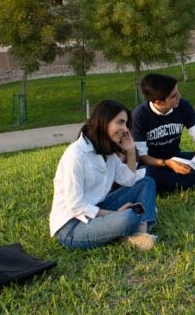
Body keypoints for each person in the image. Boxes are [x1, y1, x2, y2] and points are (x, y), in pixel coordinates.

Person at [50, 99, 158, 251]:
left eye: (126, 124)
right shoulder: (76, 155)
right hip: (72, 227)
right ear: (104, 121)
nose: (125, 129)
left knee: (146, 182)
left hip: (97, 209)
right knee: (131, 215)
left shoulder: (108, 152)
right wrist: (113, 215)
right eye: (120, 122)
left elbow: (128, 179)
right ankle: (132, 226)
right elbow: (75, 206)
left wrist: (131, 151)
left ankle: (140, 233)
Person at [132, 73, 195, 192]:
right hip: (155, 164)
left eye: (178, 92)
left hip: (176, 157)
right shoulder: (140, 116)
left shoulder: (183, 106)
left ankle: (177, 179)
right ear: (159, 102)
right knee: (147, 174)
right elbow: (142, 156)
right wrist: (167, 163)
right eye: (174, 96)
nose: (179, 96)